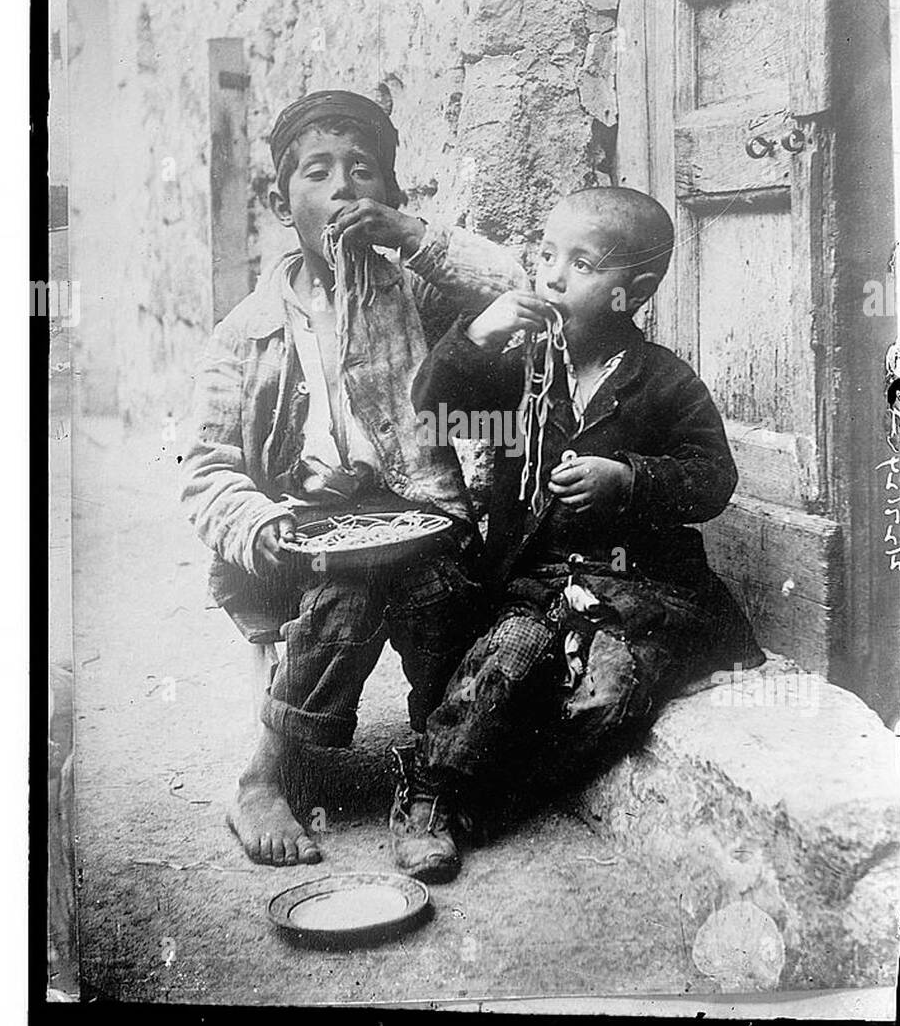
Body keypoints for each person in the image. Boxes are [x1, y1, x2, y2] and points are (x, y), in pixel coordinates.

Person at [181, 89, 525, 876]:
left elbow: (511, 281)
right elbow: (204, 469)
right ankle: (264, 780)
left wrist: (414, 239)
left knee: (439, 601)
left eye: (363, 172)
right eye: (318, 172)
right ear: (280, 200)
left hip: (415, 519)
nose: (343, 187)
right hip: (299, 536)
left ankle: (430, 776)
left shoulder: (415, 296)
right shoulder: (246, 332)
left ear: (391, 196)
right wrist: (258, 525)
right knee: (343, 594)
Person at [410, 187, 764, 874]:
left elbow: (711, 478)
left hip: (640, 591)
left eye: (580, 263)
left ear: (628, 293)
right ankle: (430, 791)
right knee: (501, 665)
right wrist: (474, 337)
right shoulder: (521, 366)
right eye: (546, 255)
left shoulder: (664, 382)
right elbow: (431, 411)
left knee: (610, 696)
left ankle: (503, 792)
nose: (551, 275)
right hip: (537, 579)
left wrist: (627, 479)